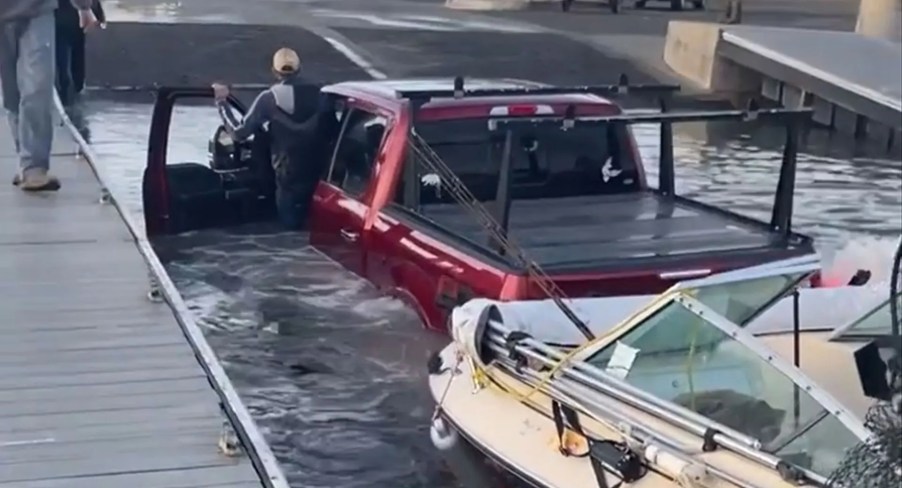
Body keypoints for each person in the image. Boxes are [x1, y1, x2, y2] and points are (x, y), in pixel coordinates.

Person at [212, 47, 335, 230]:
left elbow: (239, 133)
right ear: (300, 69)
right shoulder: (322, 95)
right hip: (322, 172)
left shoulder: (269, 98)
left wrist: (222, 102)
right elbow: (333, 128)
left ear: (274, 71)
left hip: (287, 175)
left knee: (289, 226)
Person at [1, 0, 98, 192]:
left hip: (37, 9)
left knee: (38, 84)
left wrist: (84, 6)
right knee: (11, 92)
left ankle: (34, 167)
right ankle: (26, 159)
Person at [55, 0, 105, 106]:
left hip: (67, 16)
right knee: (68, 73)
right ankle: (70, 99)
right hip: (65, 16)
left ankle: (70, 100)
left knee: (68, 71)